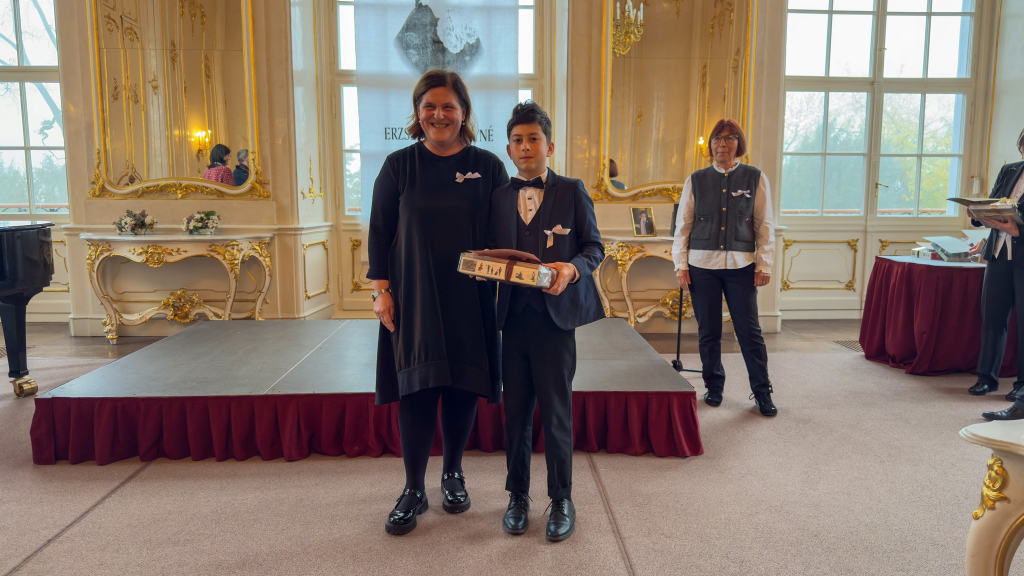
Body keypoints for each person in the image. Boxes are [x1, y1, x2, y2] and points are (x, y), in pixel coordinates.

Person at [367, 69, 508, 535]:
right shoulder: (398, 166)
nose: (439, 114)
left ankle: (453, 474)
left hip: (470, 296)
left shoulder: (489, 166)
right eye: (429, 106)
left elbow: (502, 235)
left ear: (464, 112)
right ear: (418, 112)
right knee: (418, 389)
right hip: (414, 297)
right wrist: (381, 292)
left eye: (449, 106)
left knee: (462, 385)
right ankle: (413, 488)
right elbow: (380, 233)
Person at [487, 101, 604, 542]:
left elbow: (594, 248)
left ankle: (562, 498)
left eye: (533, 139)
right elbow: (490, 250)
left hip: (555, 323)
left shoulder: (571, 191)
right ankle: (517, 496)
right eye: (517, 140)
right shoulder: (498, 196)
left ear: (549, 146)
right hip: (512, 321)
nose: (525, 147)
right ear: (508, 149)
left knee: (556, 413)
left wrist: (571, 269)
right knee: (515, 414)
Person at [671, 119, 777, 416]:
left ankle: (762, 391)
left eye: (729, 138)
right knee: (709, 331)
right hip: (701, 266)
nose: (722, 144)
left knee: (749, 331)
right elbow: (683, 225)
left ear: (738, 144)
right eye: (717, 139)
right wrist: (680, 264)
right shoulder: (696, 179)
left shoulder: (755, 178)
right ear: (711, 145)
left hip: (742, 266)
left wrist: (764, 264)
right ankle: (714, 386)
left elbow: (764, 224)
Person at [973, 126, 1024, 420]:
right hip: (997, 253)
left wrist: (1017, 229)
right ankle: (986, 379)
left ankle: (1021, 390)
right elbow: (992, 202)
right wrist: (977, 213)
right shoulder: (1010, 170)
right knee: (992, 318)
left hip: (1022, 254)